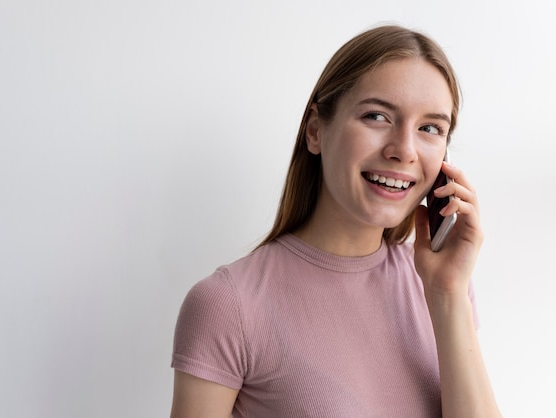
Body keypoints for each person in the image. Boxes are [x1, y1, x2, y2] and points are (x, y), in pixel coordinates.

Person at [170, 24, 501, 418]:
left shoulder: (442, 286)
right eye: (377, 116)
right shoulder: (228, 304)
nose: (404, 150)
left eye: (430, 128)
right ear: (315, 131)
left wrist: (448, 294)